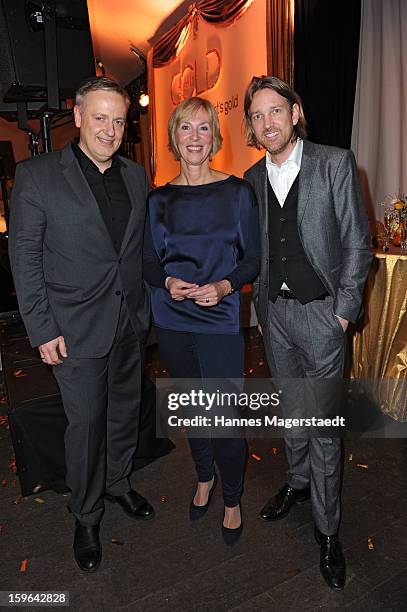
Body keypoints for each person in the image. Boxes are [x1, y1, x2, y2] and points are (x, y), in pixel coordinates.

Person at [9, 77, 154, 573]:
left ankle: (118, 484)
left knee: (123, 414)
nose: (110, 129)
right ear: (76, 115)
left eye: (118, 120)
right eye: (100, 118)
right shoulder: (38, 175)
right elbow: (25, 258)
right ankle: (86, 514)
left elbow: (135, 253)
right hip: (73, 329)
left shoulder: (137, 176)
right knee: (86, 426)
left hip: (129, 321)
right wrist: (42, 328)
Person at [243, 76, 372, 589]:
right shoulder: (252, 178)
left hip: (322, 318)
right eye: (257, 115)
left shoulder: (334, 162)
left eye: (276, 111)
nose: (267, 122)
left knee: (323, 426)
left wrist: (342, 312)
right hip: (275, 317)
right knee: (291, 411)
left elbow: (358, 246)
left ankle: (327, 529)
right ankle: (297, 485)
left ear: (295, 112)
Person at [143, 96, 260, 546]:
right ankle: (203, 477)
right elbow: (148, 264)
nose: (195, 137)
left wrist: (225, 286)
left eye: (204, 128)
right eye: (186, 128)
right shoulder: (158, 200)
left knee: (226, 417)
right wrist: (168, 281)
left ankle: (232, 498)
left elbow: (252, 261)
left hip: (220, 320)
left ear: (215, 136)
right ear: (174, 137)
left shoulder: (237, 193)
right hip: (172, 320)